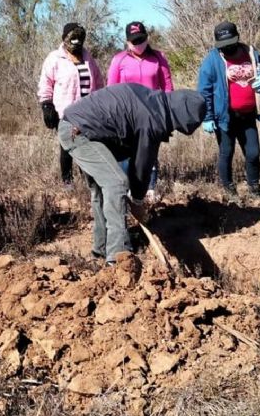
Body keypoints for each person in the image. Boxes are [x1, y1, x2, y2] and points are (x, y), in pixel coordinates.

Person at [58, 83, 206, 264]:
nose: (175, 130)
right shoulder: (153, 120)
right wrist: (137, 200)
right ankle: (118, 257)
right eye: (178, 126)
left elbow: (142, 159)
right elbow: (142, 163)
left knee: (102, 189)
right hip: (79, 132)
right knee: (116, 183)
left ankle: (101, 250)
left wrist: (136, 197)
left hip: (80, 127)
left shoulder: (155, 104)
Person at [197, 21, 260, 197]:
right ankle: (229, 191)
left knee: (253, 153)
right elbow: (204, 91)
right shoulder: (212, 60)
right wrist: (207, 117)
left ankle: (254, 188)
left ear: (237, 38)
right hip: (225, 117)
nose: (226, 48)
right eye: (222, 45)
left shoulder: (251, 53)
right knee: (226, 152)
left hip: (248, 116)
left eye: (229, 43)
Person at [107, 21, 174, 202]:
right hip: (126, 116)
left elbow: (167, 87)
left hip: (153, 114)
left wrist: (168, 114)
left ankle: (150, 187)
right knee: (127, 154)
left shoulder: (159, 58)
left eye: (141, 40)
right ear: (127, 42)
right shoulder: (119, 59)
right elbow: (111, 90)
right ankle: (128, 188)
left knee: (150, 152)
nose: (138, 44)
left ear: (147, 38)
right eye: (134, 41)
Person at [38, 23, 103, 189]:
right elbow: (46, 82)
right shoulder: (54, 58)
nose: (76, 42)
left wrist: (102, 104)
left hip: (87, 112)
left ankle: (88, 181)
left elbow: (98, 82)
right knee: (67, 147)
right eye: (72, 38)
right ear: (65, 38)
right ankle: (67, 181)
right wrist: (46, 105)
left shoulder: (88, 58)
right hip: (64, 112)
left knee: (86, 146)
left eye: (79, 38)